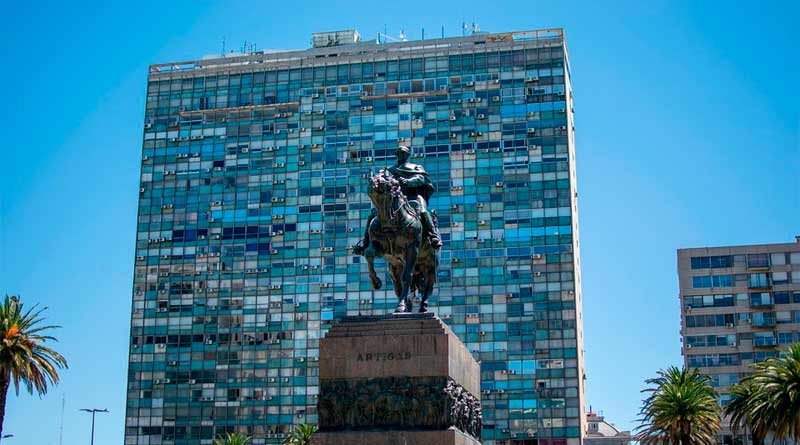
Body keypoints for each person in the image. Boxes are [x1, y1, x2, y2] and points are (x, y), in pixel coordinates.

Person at [353, 145, 442, 255]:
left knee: (423, 211)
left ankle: (433, 235)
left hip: (413, 196)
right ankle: (366, 243)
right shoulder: (391, 170)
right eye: (398, 153)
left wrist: (408, 182)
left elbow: (422, 179)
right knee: (374, 214)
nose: (400, 155)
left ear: (407, 155)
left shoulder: (415, 167)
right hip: (395, 198)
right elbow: (383, 180)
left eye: (403, 153)